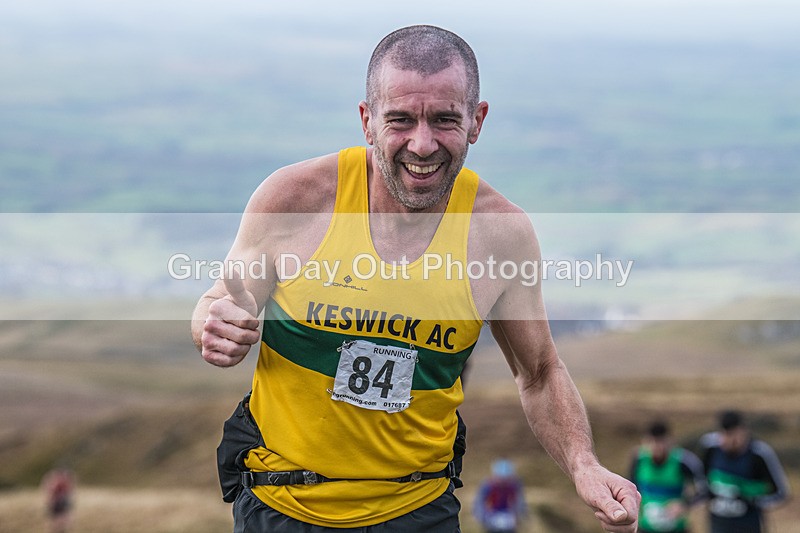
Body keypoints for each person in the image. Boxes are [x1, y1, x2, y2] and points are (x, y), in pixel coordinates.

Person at [192, 24, 639, 532]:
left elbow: (538, 372)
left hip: (419, 511)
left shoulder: (499, 234)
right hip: (280, 506)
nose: (422, 145)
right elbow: (218, 303)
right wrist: (215, 326)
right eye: (400, 120)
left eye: (445, 119)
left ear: (477, 120)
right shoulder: (293, 199)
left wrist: (583, 464)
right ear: (367, 120)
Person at [697, 410, 791, 533]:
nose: (726, 441)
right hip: (718, 524)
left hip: (748, 525)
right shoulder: (709, 446)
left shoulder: (760, 453)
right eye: (723, 435)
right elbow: (701, 476)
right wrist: (708, 494)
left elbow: (782, 493)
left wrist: (754, 502)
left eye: (732, 435)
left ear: (743, 432)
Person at [628, 420, 706, 533]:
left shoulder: (684, 461)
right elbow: (630, 488)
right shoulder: (638, 459)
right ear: (644, 441)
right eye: (652, 442)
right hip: (645, 527)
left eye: (660, 442)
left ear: (670, 440)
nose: (657, 447)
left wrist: (684, 505)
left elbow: (703, 491)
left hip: (676, 528)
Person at [473, 459, 527, 533]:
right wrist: (484, 517)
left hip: (509, 520)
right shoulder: (488, 485)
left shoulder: (514, 485)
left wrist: (518, 516)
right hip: (492, 519)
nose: (503, 482)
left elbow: (520, 502)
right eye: (500, 479)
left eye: (506, 479)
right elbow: (479, 502)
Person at [41, 467, 75, 533]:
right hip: (60, 501)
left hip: (57, 501)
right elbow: (70, 490)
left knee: (56, 519)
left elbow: (49, 491)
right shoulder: (64, 480)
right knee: (62, 518)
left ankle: (58, 529)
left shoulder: (53, 480)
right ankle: (60, 529)